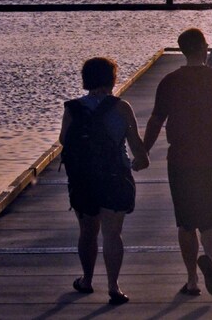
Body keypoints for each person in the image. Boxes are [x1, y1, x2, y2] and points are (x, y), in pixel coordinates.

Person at [143, 28, 212, 297]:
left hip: (180, 161)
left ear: (182, 50)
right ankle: (208, 257)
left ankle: (191, 281)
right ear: (203, 49)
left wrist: (143, 151)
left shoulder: (169, 81)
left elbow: (155, 120)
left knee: (186, 221)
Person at [60, 57, 149, 306]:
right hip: (115, 177)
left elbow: (63, 141)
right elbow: (135, 144)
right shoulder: (121, 108)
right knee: (112, 233)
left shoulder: (73, 108)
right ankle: (114, 286)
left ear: (85, 79)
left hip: (83, 180)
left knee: (87, 232)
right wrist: (141, 161)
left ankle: (87, 280)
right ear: (112, 79)